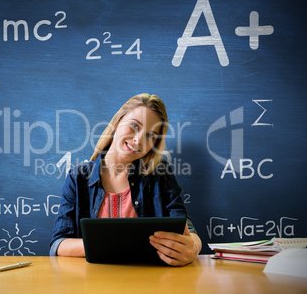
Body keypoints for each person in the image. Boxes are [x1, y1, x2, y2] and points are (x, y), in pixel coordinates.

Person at [49, 93, 202, 266]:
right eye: (134, 126)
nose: (138, 141)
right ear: (117, 122)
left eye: (151, 136)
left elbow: (187, 230)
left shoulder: (160, 173)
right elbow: (58, 245)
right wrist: (116, 244)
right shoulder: (78, 178)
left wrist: (194, 247)